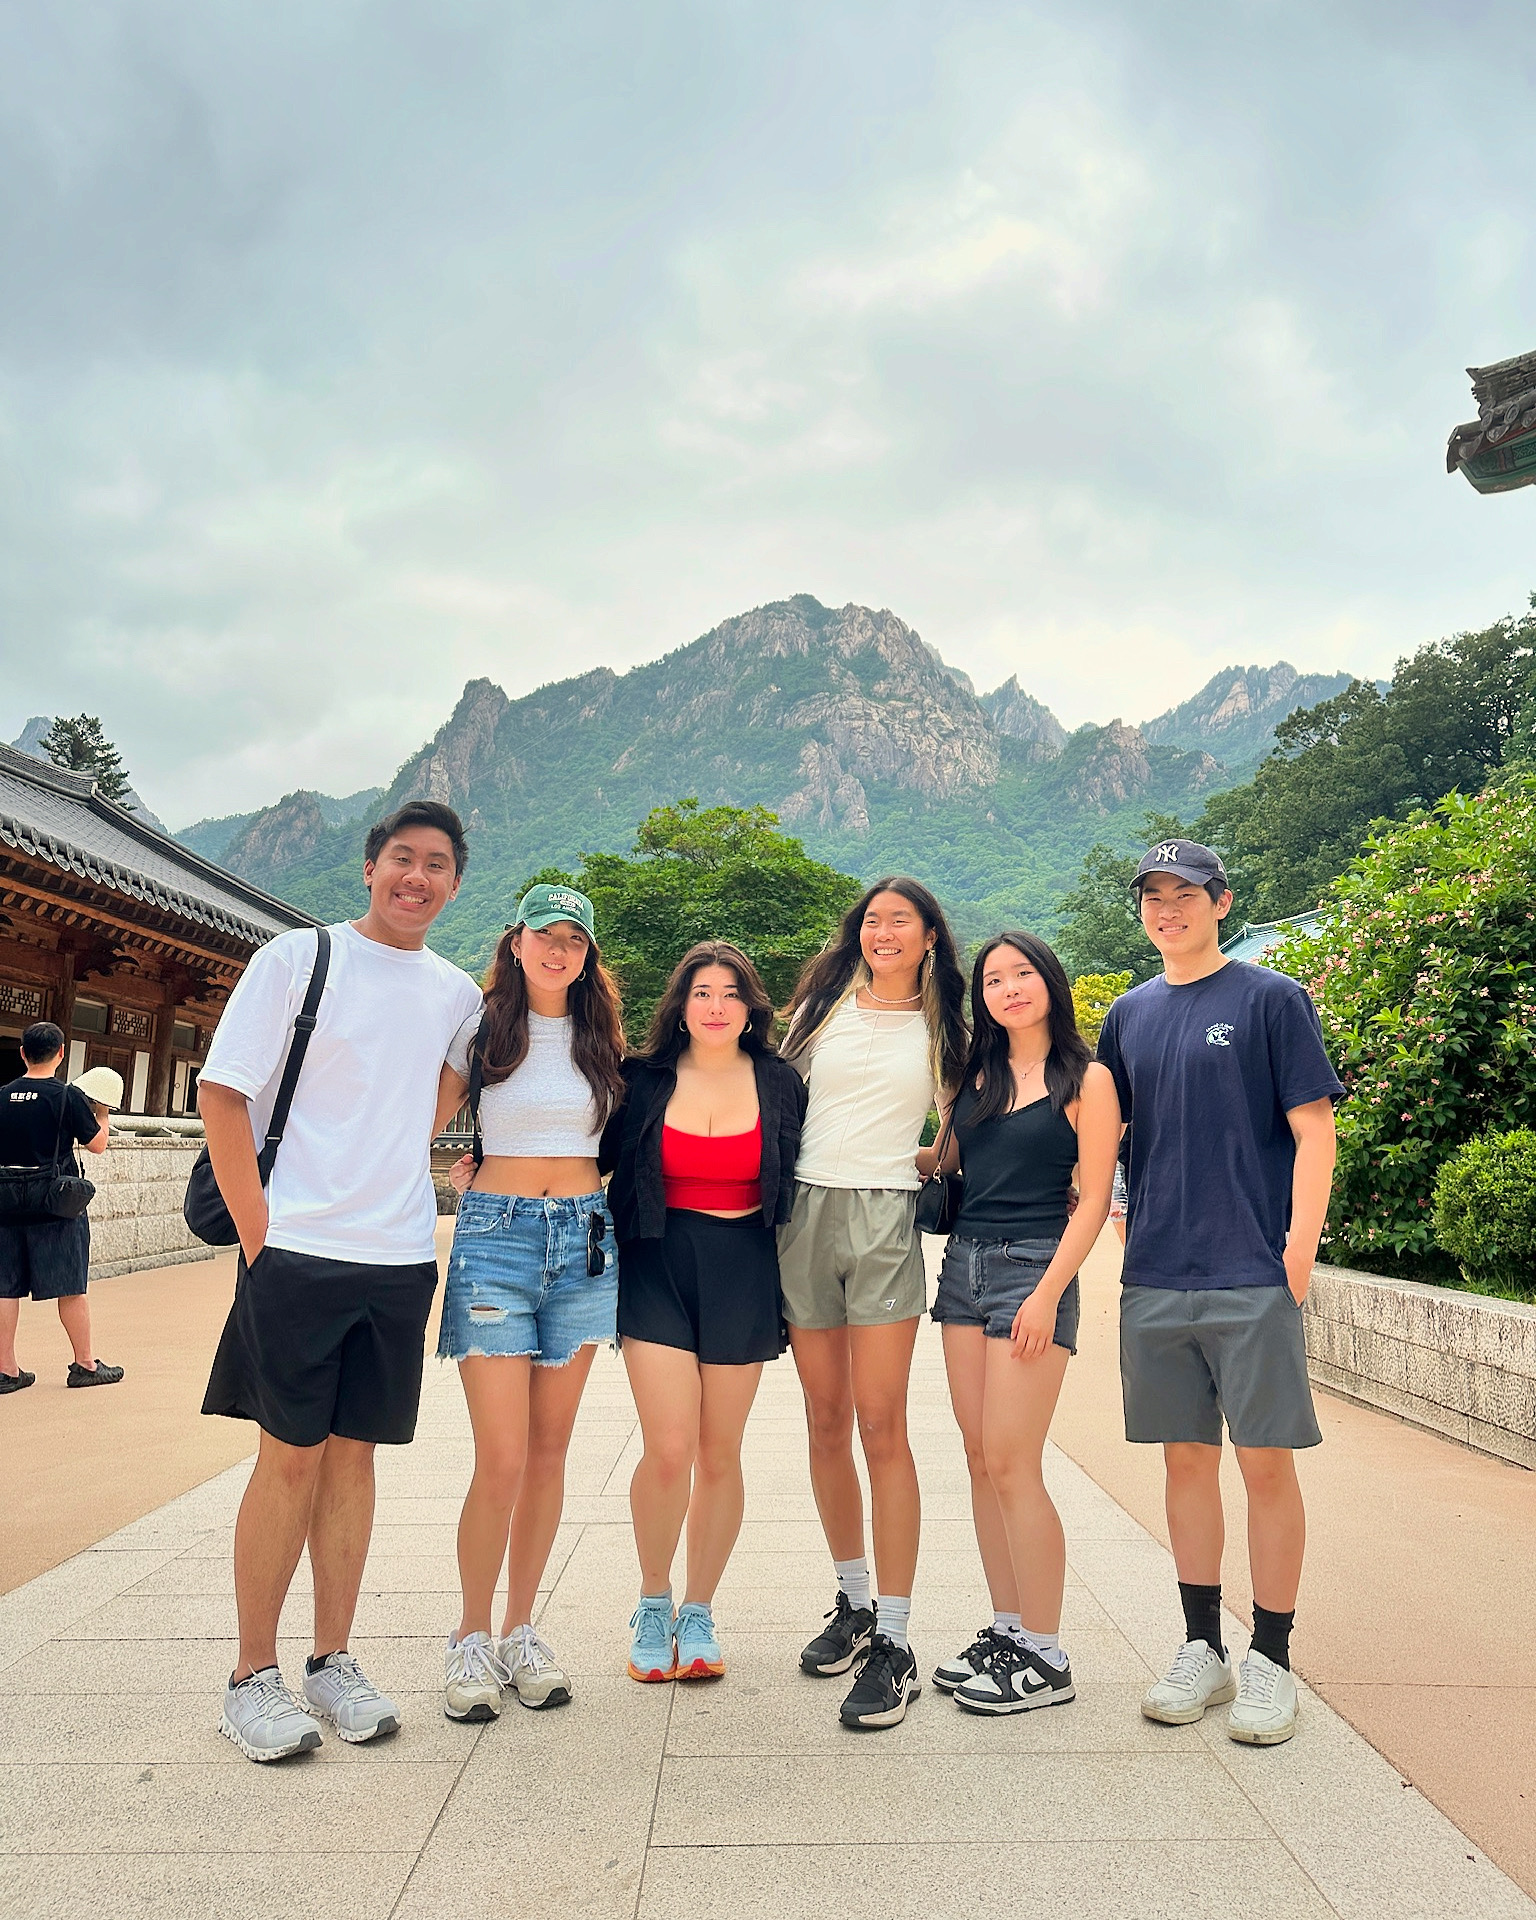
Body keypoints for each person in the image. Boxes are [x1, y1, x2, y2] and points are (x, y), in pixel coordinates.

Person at [199, 801, 483, 1763]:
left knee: (355, 1458)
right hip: (298, 1250)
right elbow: (222, 1089)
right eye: (402, 858)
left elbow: (437, 1106)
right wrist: (256, 1229)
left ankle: (332, 1660)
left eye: (437, 864)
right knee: (289, 1456)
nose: (418, 877)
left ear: (454, 883)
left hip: (399, 1256)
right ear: (370, 868)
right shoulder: (297, 958)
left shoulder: (456, 995)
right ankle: (251, 1674)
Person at [1095, 838, 1342, 1748]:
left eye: (1185, 894)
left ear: (1221, 902)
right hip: (1158, 1276)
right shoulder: (1127, 1014)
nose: (1168, 909)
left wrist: (1298, 1253)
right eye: (1152, 896)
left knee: (1266, 1463)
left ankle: (1272, 1657)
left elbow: (1313, 1132)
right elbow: (1110, 1136)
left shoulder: (1271, 999)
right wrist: (1124, 1211)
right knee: (1184, 1462)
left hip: (1251, 1274)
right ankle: (1204, 1646)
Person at [432, 884, 626, 1723]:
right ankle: (469, 1637)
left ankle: (520, 1630)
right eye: (544, 935)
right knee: (501, 1456)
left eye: (574, 940)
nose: (559, 951)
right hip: (496, 1239)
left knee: (550, 1455)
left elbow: (627, 1139)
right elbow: (418, 1121)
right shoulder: (480, 1028)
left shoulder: (602, 1036)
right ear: (516, 941)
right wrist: (453, 1169)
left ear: (588, 955)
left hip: (584, 1242)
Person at [778, 878, 968, 1729]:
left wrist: (925, 1163)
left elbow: (965, 1118)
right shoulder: (821, 1003)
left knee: (881, 1425)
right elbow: (777, 1097)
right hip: (803, 1213)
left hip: (885, 1217)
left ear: (930, 936)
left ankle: (894, 1637)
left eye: (901, 920)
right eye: (873, 919)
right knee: (824, 1419)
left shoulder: (947, 1025)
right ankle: (852, 1602)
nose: (882, 931)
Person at [600, 941, 806, 1685]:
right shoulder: (643, 1080)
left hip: (744, 1268)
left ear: (751, 1006)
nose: (715, 1006)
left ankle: (698, 1610)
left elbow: (816, 1165)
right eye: (700, 993)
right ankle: (653, 1600)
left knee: (721, 1452)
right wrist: (487, 1163)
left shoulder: (780, 1081)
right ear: (679, 1006)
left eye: (730, 993)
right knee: (668, 1446)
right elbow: (586, 1149)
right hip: (656, 1259)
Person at [929, 933, 1118, 1714]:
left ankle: (1046, 1652)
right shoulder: (972, 1075)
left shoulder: (1089, 1078)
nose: (1010, 988)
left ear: (1050, 982)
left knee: (1013, 1460)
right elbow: (947, 1165)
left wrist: (1047, 1293)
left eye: (1023, 974)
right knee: (978, 1456)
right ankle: (1008, 1630)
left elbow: (1098, 1197)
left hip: (1032, 1270)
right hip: (963, 1268)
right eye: (995, 979)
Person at [0, 1025, 119, 1392]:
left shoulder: (2, 1095)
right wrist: (102, 1111)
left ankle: (6, 1370)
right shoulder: (67, 1097)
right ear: (62, 1053)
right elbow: (98, 1145)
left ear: (23, 1054)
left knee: (4, 1288)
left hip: (6, 1204)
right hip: (55, 1205)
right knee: (71, 1286)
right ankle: (84, 1365)